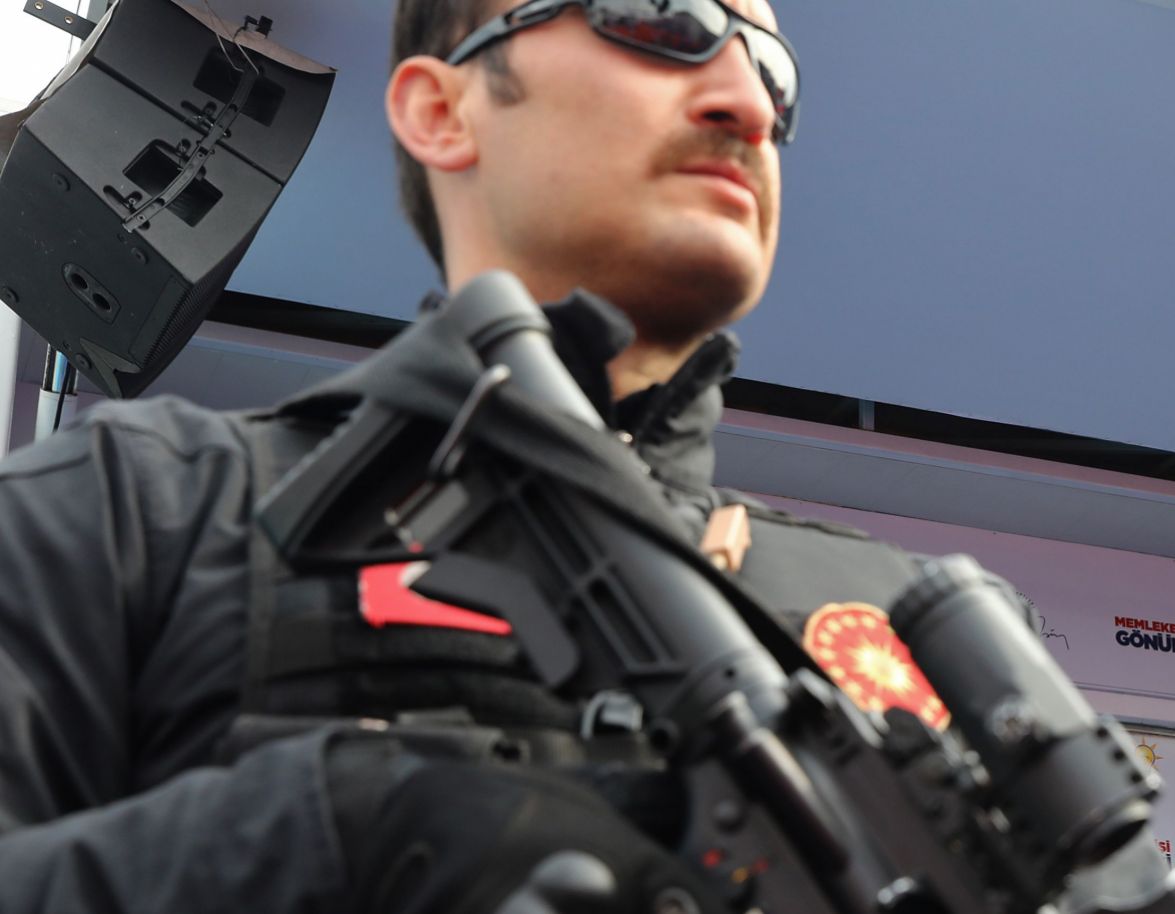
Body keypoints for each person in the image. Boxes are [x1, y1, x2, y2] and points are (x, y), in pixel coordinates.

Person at [0, 1, 957, 910]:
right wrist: (335, 833)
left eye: (775, 73)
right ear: (441, 109)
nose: (749, 106)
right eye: (667, 20)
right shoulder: (127, 515)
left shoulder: (912, 628)